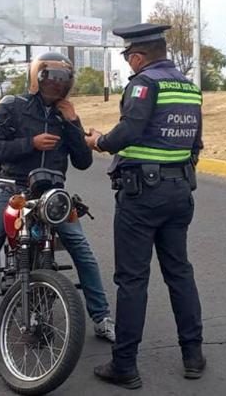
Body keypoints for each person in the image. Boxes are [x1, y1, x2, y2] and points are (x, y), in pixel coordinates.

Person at [0, 52, 115, 356]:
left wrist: (74, 122)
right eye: (51, 78)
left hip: (53, 195)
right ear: (38, 78)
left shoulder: (67, 115)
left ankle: (101, 317)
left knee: (82, 249)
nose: (56, 85)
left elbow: (83, 161)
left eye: (63, 80)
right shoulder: (13, 106)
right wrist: (30, 144)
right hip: (13, 189)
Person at [85, 23, 205, 389]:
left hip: (142, 196)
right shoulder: (188, 87)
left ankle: (125, 365)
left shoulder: (143, 84)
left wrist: (100, 141)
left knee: (133, 279)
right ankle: (193, 355)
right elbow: (195, 144)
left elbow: (131, 130)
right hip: (180, 191)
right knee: (179, 272)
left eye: (128, 58)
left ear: (137, 56)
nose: (128, 65)